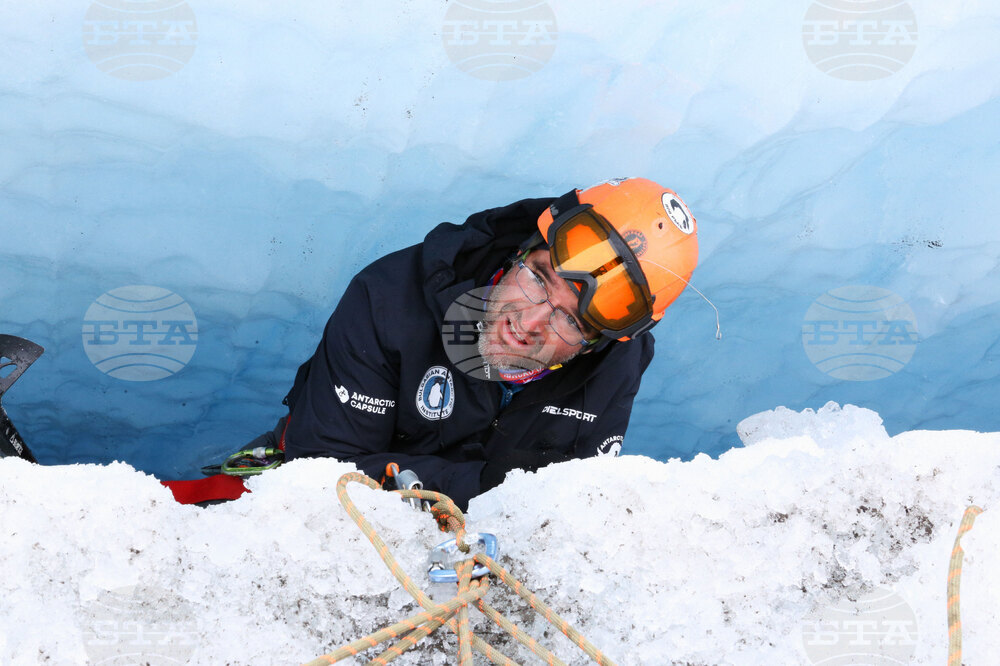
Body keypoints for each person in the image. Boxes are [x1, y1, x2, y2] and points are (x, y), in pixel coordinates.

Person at [180, 177, 699, 509]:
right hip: (318, 507)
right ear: (523, 249)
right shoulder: (394, 301)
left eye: (569, 321)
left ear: (596, 343)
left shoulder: (616, 363)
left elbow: (578, 505)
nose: (532, 321)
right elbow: (322, 471)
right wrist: (490, 488)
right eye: (539, 279)